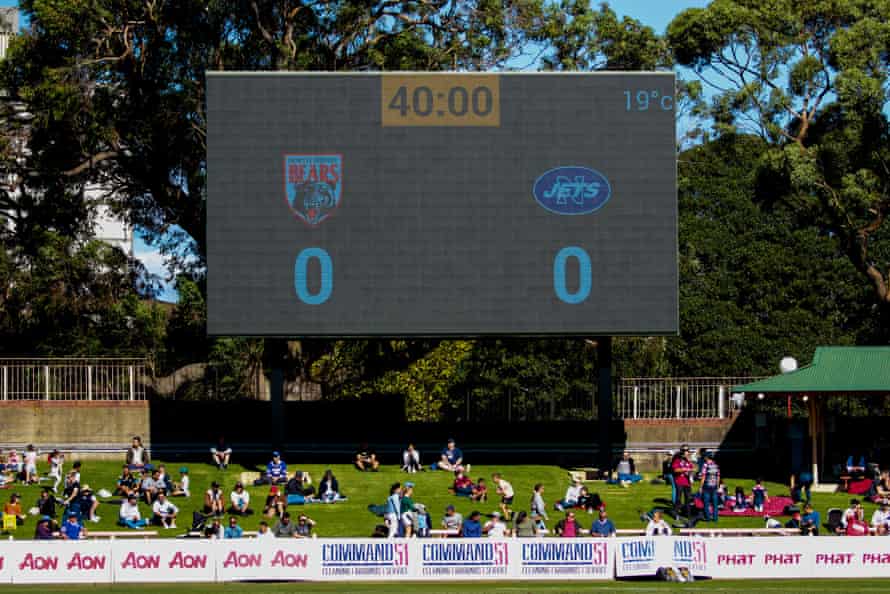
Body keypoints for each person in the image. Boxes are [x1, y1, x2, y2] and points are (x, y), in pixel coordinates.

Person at [672, 446, 694, 518]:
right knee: (678, 499)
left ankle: (688, 514)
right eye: (687, 451)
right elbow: (675, 470)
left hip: (687, 482)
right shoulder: (677, 459)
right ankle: (675, 514)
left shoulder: (688, 460)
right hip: (679, 482)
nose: (688, 452)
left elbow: (692, 468)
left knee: (688, 499)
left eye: (688, 451)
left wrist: (691, 470)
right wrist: (685, 469)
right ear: (683, 451)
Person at [699, 452, 720, 523]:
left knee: (706, 503)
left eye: (705, 457)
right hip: (714, 486)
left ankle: (707, 518)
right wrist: (717, 485)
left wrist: (700, 487)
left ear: (707, 458)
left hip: (706, 486)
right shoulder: (716, 465)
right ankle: (715, 518)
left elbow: (703, 476)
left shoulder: (705, 465)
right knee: (715, 504)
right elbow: (718, 477)